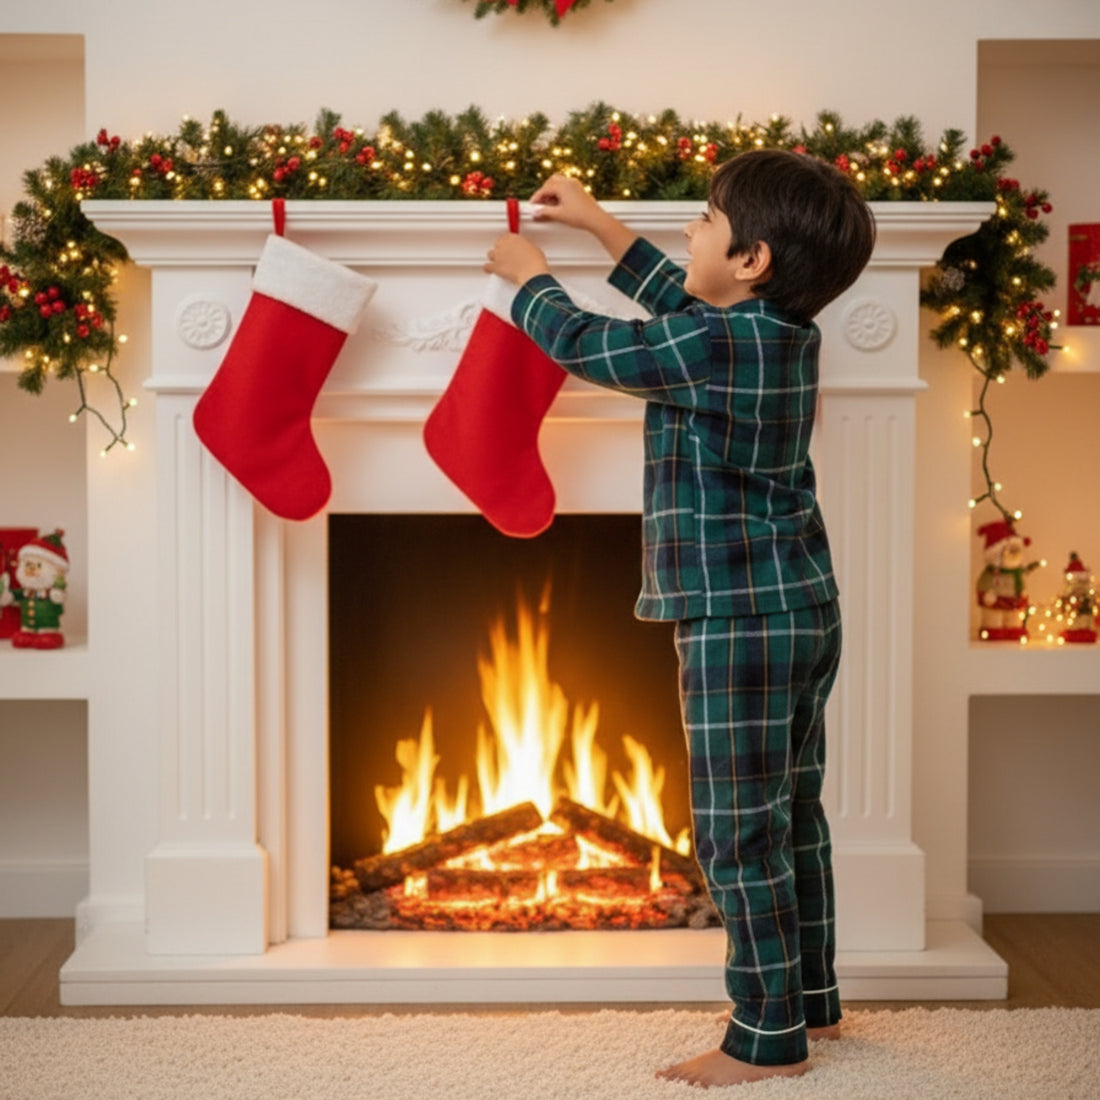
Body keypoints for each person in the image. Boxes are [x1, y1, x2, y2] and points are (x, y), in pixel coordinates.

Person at [484, 148, 876, 1088]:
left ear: (752, 261)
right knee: (792, 813)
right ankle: (808, 1000)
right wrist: (599, 225)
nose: (691, 230)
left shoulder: (712, 347)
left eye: (703, 218)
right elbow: (682, 299)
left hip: (735, 616)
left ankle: (765, 1037)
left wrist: (532, 281)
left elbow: (591, 346)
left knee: (735, 830)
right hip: (801, 607)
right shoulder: (774, 332)